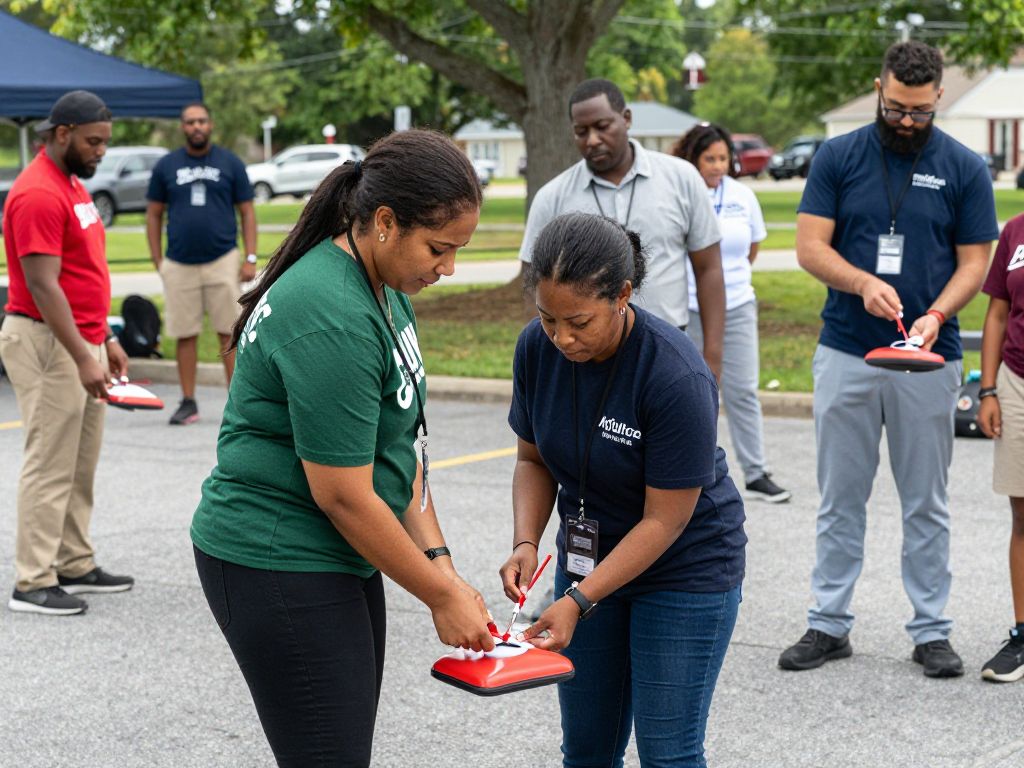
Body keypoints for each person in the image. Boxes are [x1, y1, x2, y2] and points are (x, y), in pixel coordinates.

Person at [190, 129, 495, 767]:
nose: (449, 268)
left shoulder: (383, 287)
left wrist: (441, 566)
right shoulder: (332, 312)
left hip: (334, 555)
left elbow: (401, 448)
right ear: (385, 222)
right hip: (276, 555)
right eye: (439, 249)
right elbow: (345, 496)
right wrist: (440, 596)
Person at [779, 41, 998, 678]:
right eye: (897, 107)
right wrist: (861, 283)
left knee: (925, 502)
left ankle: (931, 631)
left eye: (920, 112)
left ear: (938, 102)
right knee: (840, 499)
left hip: (930, 358)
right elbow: (809, 247)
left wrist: (936, 315)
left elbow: (974, 262)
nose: (907, 121)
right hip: (847, 351)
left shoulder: (963, 166)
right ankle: (828, 624)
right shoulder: (838, 155)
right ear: (880, 87)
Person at [500, 212, 746, 767]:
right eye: (547, 318)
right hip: (587, 567)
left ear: (623, 296)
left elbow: (666, 520)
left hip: (684, 570)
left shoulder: (675, 376)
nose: (562, 337)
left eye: (579, 322)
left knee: (668, 753)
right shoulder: (536, 350)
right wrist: (525, 542)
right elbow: (532, 458)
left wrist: (578, 601)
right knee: (587, 749)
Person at [0, 90, 134, 616]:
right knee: (50, 461)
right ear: (62, 134)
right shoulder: (37, 192)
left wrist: (108, 337)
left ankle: (74, 560)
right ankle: (32, 580)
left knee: (80, 461)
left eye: (104, 141)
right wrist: (82, 354)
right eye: (93, 141)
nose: (101, 151)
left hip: (83, 340)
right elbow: (42, 284)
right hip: (48, 341)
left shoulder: (72, 186)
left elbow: (84, 275)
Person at [519, 78, 726, 378]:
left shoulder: (682, 178)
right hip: (583, 361)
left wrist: (712, 356)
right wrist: (545, 356)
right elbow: (533, 284)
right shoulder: (552, 197)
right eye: (581, 131)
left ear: (626, 119)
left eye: (602, 126)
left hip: (666, 350)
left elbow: (709, 269)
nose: (592, 139)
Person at [672, 123, 791, 504]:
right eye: (710, 158)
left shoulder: (743, 196)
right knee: (688, 394)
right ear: (693, 159)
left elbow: (751, 248)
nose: (718, 165)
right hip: (687, 306)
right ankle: (690, 472)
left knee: (742, 390)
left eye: (723, 158)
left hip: (737, 304)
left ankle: (756, 473)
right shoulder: (680, 193)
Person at [146, 102, 257, 425]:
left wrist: (250, 256)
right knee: (185, 334)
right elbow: (153, 214)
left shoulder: (230, 163)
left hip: (222, 259)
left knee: (229, 333)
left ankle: (238, 407)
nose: (197, 126)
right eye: (190, 122)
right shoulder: (167, 165)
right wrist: (158, 259)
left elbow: (247, 211)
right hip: (179, 262)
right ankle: (188, 400)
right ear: (183, 127)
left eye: (202, 121)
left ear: (211, 124)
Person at [977, 211, 1024, 682]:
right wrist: (988, 389)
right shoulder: (1015, 230)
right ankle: (1023, 635)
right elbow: (997, 312)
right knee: (1023, 515)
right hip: (1017, 383)